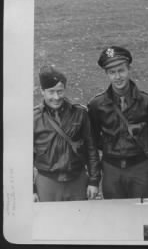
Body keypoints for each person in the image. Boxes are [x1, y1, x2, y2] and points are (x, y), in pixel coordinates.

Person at [88, 46, 148, 199]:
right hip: (111, 168)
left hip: (139, 166)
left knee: (143, 214)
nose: (117, 77)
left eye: (121, 70)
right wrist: (110, 147)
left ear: (129, 69)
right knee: (115, 216)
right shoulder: (97, 105)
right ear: (107, 74)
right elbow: (93, 137)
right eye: (112, 72)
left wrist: (137, 147)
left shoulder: (147, 102)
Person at [33, 65, 100, 202]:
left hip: (77, 179)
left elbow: (91, 149)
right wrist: (31, 190)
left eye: (60, 91)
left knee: (79, 221)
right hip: (47, 181)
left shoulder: (80, 114)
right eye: (51, 92)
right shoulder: (33, 118)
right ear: (42, 91)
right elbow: (25, 157)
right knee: (49, 221)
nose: (56, 97)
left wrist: (93, 181)